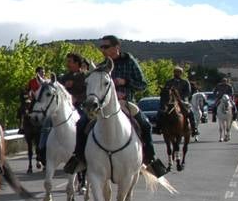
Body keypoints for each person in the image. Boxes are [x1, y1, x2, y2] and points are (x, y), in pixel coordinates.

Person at [63, 35, 168, 178]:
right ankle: (79, 158)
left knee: (146, 125)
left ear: (116, 47)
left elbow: (142, 84)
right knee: (81, 124)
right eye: (101, 47)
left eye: (105, 46)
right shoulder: (100, 66)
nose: (102, 49)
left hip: (125, 103)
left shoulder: (129, 61)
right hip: (103, 105)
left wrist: (125, 81)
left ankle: (150, 160)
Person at [161, 66, 196, 139]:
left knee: (190, 113)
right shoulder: (169, 82)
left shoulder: (185, 82)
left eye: (178, 72)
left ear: (181, 73)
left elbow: (188, 92)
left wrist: (180, 98)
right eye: (175, 72)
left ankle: (194, 129)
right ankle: (159, 128)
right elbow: (165, 91)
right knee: (161, 112)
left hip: (182, 101)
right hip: (171, 101)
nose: (176, 73)